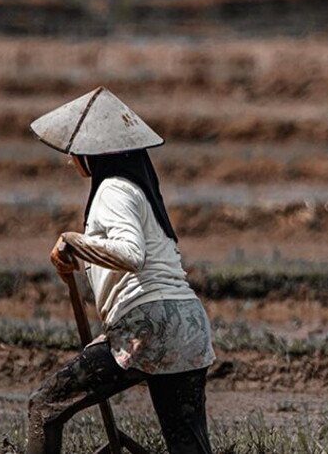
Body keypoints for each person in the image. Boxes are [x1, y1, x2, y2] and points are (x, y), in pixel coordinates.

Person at [27, 87, 215, 454]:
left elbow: (131, 255)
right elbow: (129, 256)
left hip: (148, 325)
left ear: (93, 155)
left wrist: (72, 239)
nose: (71, 161)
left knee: (45, 406)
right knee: (187, 446)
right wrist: (75, 260)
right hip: (188, 326)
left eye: (74, 154)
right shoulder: (139, 191)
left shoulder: (112, 190)